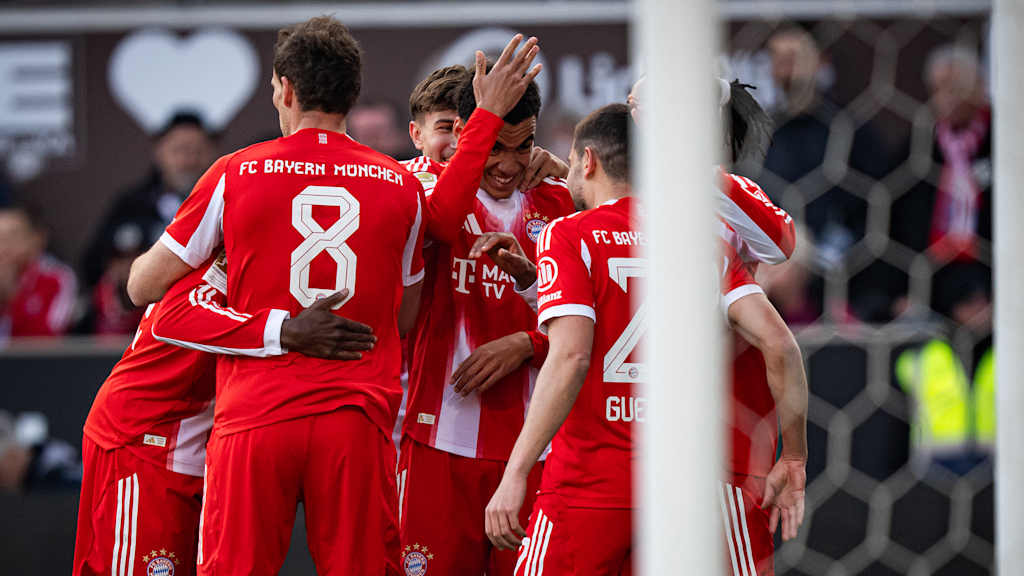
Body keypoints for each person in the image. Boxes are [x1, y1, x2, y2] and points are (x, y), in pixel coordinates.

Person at [125, 16, 425, 574]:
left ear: (286, 89)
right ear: (351, 94)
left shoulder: (235, 172)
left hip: (256, 417)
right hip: (354, 420)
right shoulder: (402, 184)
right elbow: (403, 315)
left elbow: (142, 286)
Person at [73, 254, 373, 576]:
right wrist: (284, 331)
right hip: (143, 437)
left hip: (194, 441)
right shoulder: (229, 250)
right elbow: (173, 317)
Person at [397, 36, 575, 576]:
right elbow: (439, 221)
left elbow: (600, 322)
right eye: (494, 146)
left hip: (534, 449)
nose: (509, 164)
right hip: (435, 440)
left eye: (523, 147)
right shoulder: (419, 187)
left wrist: (529, 344)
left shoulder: (559, 202)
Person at [483, 103, 640, 574]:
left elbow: (571, 356)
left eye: (570, 161)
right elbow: (774, 341)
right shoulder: (694, 238)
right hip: (679, 483)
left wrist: (516, 473)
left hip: (588, 483)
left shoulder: (569, 233)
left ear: (587, 161)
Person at [81, 112, 215, 329]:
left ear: (213, 153)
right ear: (160, 151)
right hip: (137, 326)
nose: (188, 160)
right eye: (179, 150)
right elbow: (92, 264)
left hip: (205, 318)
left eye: (197, 151)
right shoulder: (130, 204)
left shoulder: (225, 200)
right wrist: (122, 271)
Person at [0, 204, 77, 341]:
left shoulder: (56, 278)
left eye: (12, 236)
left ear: (36, 238)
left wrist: (13, 297)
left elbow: (47, 338)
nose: (4, 246)